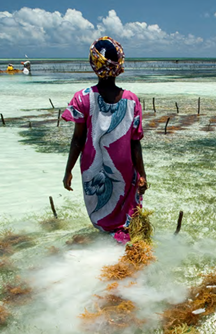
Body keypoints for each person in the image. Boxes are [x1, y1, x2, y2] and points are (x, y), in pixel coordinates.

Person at [62, 36, 147, 244]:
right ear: (119, 65)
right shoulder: (131, 99)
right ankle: (122, 243)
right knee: (126, 208)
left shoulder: (82, 98)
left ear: (94, 65)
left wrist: (68, 170)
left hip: (93, 167)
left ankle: (108, 245)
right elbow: (135, 142)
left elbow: (77, 140)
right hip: (125, 168)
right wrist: (143, 174)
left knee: (101, 208)